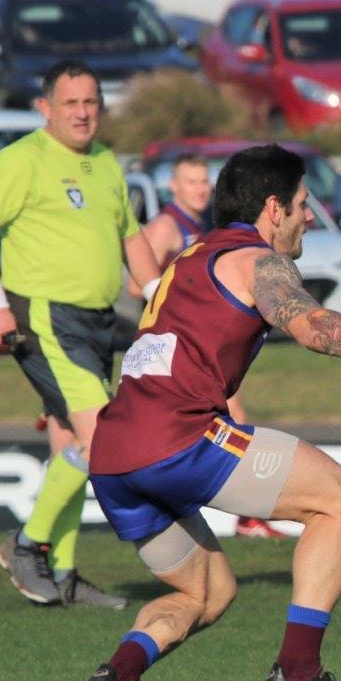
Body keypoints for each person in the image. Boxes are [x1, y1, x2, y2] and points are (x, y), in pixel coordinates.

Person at [76, 144, 341, 681]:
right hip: (178, 437)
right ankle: (298, 670)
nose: (309, 216)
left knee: (206, 593)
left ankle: (118, 677)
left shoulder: (193, 255)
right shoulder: (257, 260)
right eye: (303, 204)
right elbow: (312, 327)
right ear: (273, 208)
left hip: (113, 455)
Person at [0, 60, 164, 610]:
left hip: (97, 322)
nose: (82, 113)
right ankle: (27, 544)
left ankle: (64, 574)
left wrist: (161, 299)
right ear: (45, 108)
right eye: (70, 103)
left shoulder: (105, 163)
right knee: (103, 438)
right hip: (46, 317)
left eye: (90, 102)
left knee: (72, 446)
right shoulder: (23, 158)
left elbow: (131, 237)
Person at [141, 153, 286, 539]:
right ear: (173, 186)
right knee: (233, 418)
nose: (200, 189)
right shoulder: (166, 225)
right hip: (176, 349)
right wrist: (169, 294)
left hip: (207, 346)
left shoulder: (207, 224)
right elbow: (136, 281)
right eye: (191, 181)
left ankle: (242, 514)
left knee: (231, 417)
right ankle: (248, 517)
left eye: (205, 181)